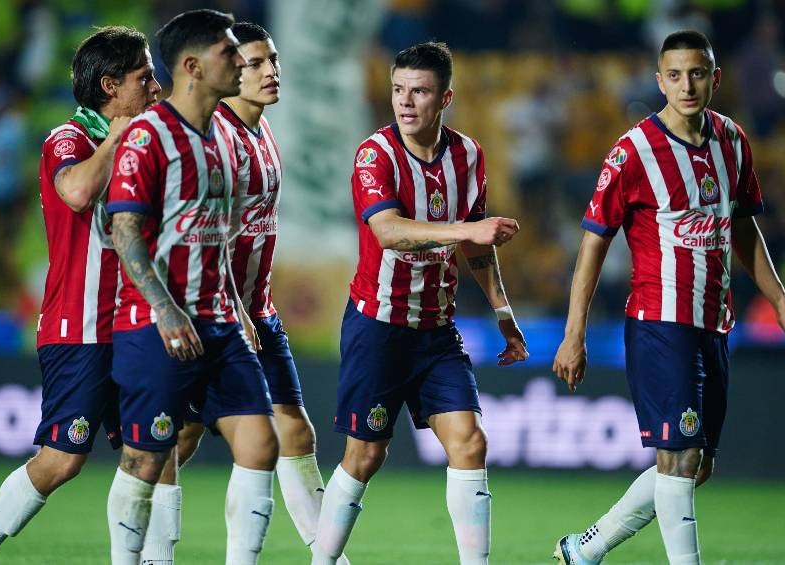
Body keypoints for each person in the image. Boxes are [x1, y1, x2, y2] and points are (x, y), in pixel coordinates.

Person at [551, 30, 785, 565]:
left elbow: (743, 229)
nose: (686, 85)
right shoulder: (633, 151)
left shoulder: (732, 140)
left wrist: (782, 305)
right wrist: (574, 333)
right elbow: (593, 243)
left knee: (698, 465)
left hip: (713, 323)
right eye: (675, 75)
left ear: (715, 78)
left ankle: (586, 548)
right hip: (659, 322)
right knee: (680, 455)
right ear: (660, 81)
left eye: (697, 73)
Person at [0, 26, 160, 565]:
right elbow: (78, 191)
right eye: (144, 77)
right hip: (80, 327)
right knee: (62, 460)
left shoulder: (147, 143)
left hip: (137, 324)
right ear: (110, 85)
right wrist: (119, 138)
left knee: (156, 449)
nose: (155, 87)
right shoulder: (68, 139)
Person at [139, 21, 351, 565]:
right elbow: (205, 234)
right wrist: (233, 307)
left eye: (272, 60)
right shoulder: (218, 137)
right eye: (255, 63)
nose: (269, 71)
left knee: (293, 433)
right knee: (180, 440)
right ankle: (152, 552)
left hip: (259, 311)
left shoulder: (263, 131)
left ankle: (327, 557)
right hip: (217, 314)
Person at [310, 42, 528, 565]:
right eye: (398, 90)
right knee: (365, 455)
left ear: (445, 98)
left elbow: (477, 248)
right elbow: (388, 232)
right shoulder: (375, 154)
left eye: (420, 91)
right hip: (378, 327)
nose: (406, 102)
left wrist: (504, 314)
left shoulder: (468, 155)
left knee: (470, 443)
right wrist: (466, 229)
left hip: (436, 331)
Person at [104, 10, 280, 565]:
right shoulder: (148, 135)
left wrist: (238, 308)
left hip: (220, 321)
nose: (241, 61)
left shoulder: (225, 138)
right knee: (146, 458)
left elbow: (217, 235)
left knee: (261, 444)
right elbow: (124, 230)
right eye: (229, 52)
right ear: (192, 67)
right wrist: (165, 308)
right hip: (155, 326)